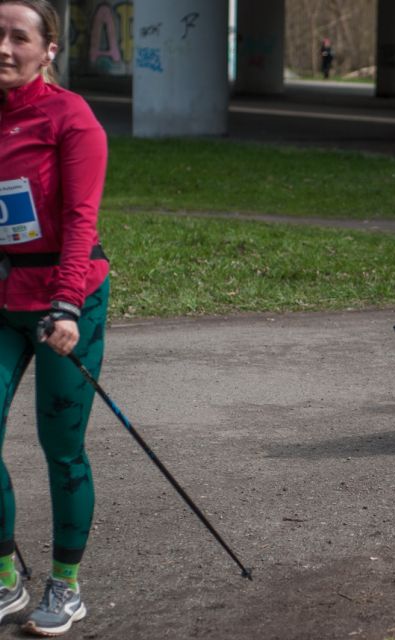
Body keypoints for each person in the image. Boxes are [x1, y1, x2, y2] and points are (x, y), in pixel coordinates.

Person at [0, 0, 110, 635]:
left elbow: (79, 221)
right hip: (2, 294)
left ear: (48, 50)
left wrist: (67, 303)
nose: (5, 48)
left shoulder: (71, 118)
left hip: (65, 300)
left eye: (19, 37)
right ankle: (6, 579)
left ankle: (64, 585)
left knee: (60, 447)